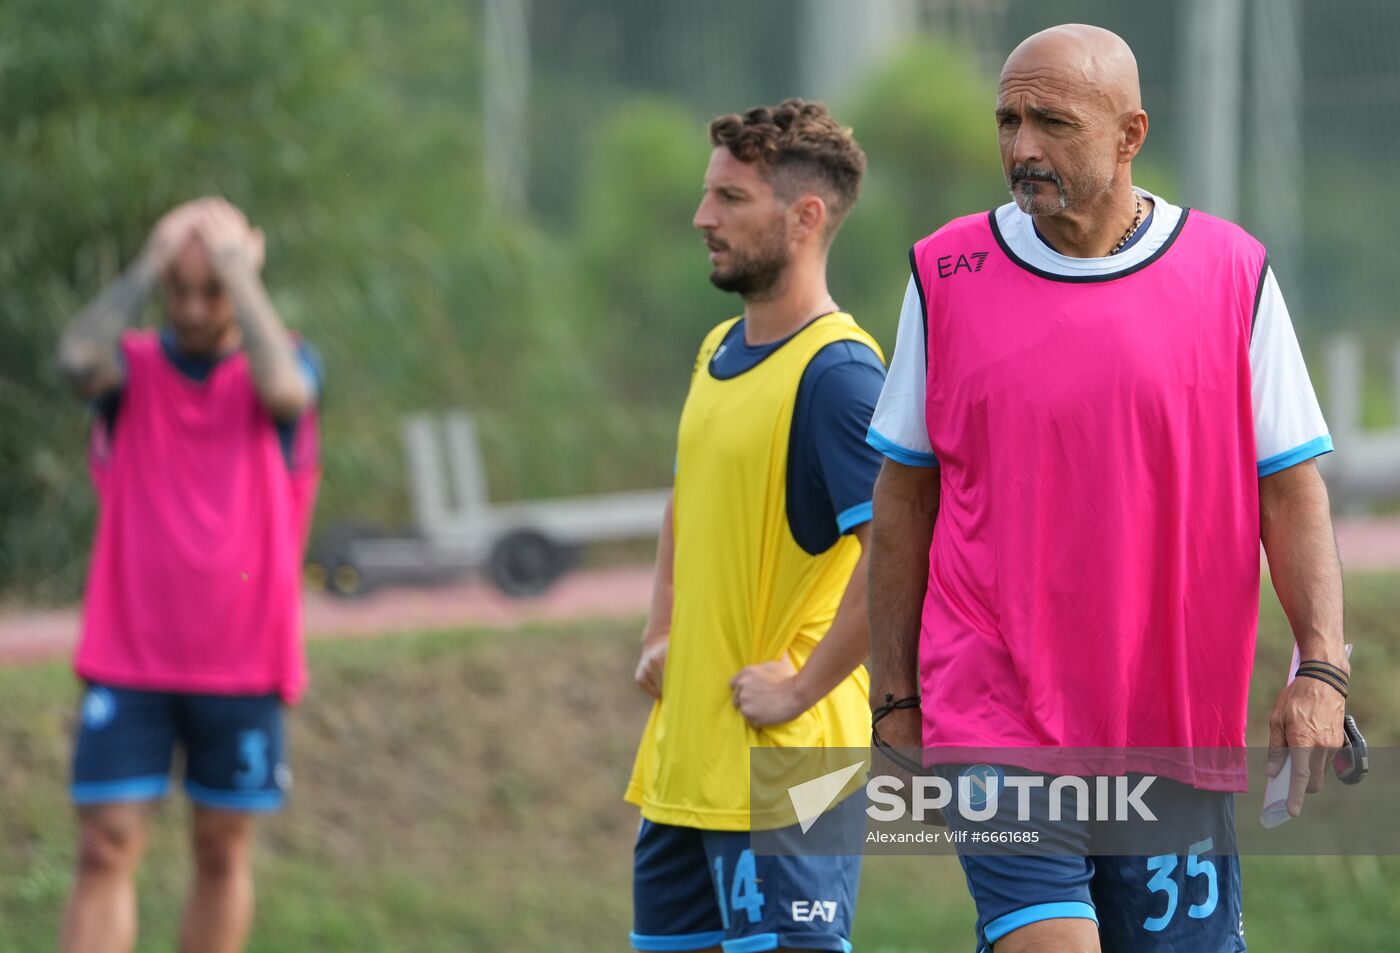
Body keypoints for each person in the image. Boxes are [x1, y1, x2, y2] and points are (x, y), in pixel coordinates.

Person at [866, 24, 1347, 953]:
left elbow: (1291, 492)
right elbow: (904, 498)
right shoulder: (945, 272)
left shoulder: (1231, 274)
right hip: (993, 714)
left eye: (1052, 121)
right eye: (1008, 119)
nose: (1021, 147)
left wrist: (1321, 667)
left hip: (1171, 721)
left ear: (1131, 134)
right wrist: (895, 696)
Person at [625, 99, 884, 953]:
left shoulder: (840, 375)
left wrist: (803, 686)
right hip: (688, 761)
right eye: (709, 195)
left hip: (790, 762)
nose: (703, 218)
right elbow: (685, 500)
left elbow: (900, 560)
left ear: (805, 217)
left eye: (731, 199)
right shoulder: (715, 350)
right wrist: (663, 627)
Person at [55, 196, 321, 953]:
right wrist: (147, 262)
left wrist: (237, 265)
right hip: (129, 654)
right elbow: (74, 360)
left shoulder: (289, 362)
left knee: (220, 846)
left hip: (244, 661)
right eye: (182, 289)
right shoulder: (130, 369)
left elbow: (285, 391)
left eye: (213, 291)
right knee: (104, 842)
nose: (196, 309)